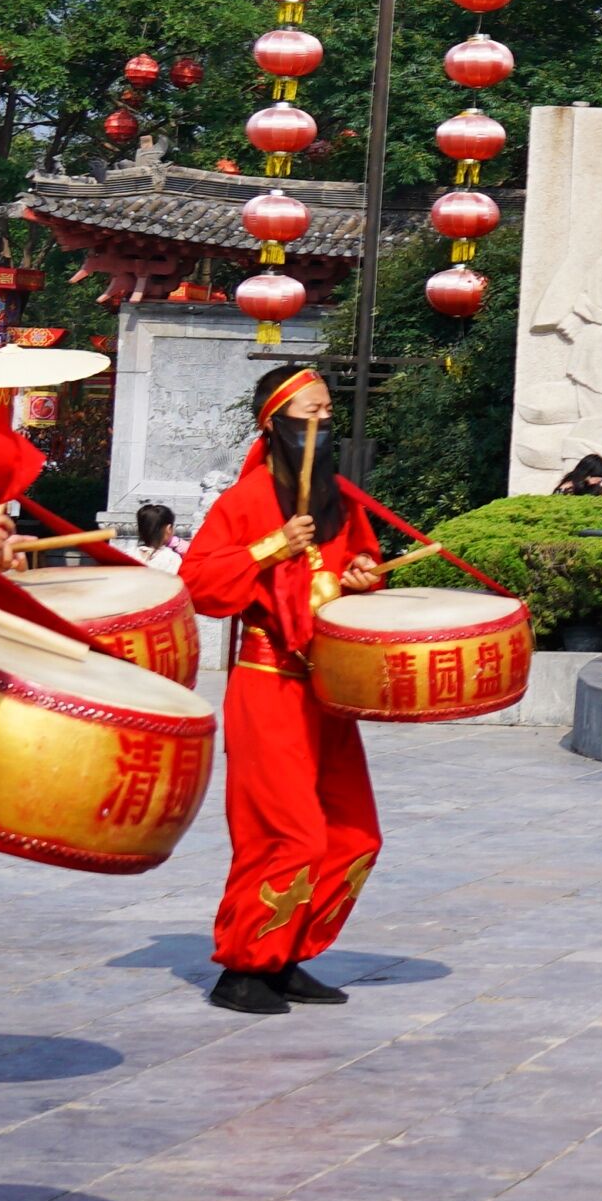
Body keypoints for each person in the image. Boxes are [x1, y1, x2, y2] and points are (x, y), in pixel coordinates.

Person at [178, 365, 399, 1015]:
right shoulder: (244, 502)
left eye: (328, 412)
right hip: (269, 682)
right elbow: (201, 583)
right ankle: (244, 967)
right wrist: (272, 545)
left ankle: (289, 951)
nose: (321, 423)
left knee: (355, 834)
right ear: (271, 424)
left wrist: (363, 575)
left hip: (330, 688)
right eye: (307, 413)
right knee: (287, 835)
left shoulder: (342, 499)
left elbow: (361, 572)